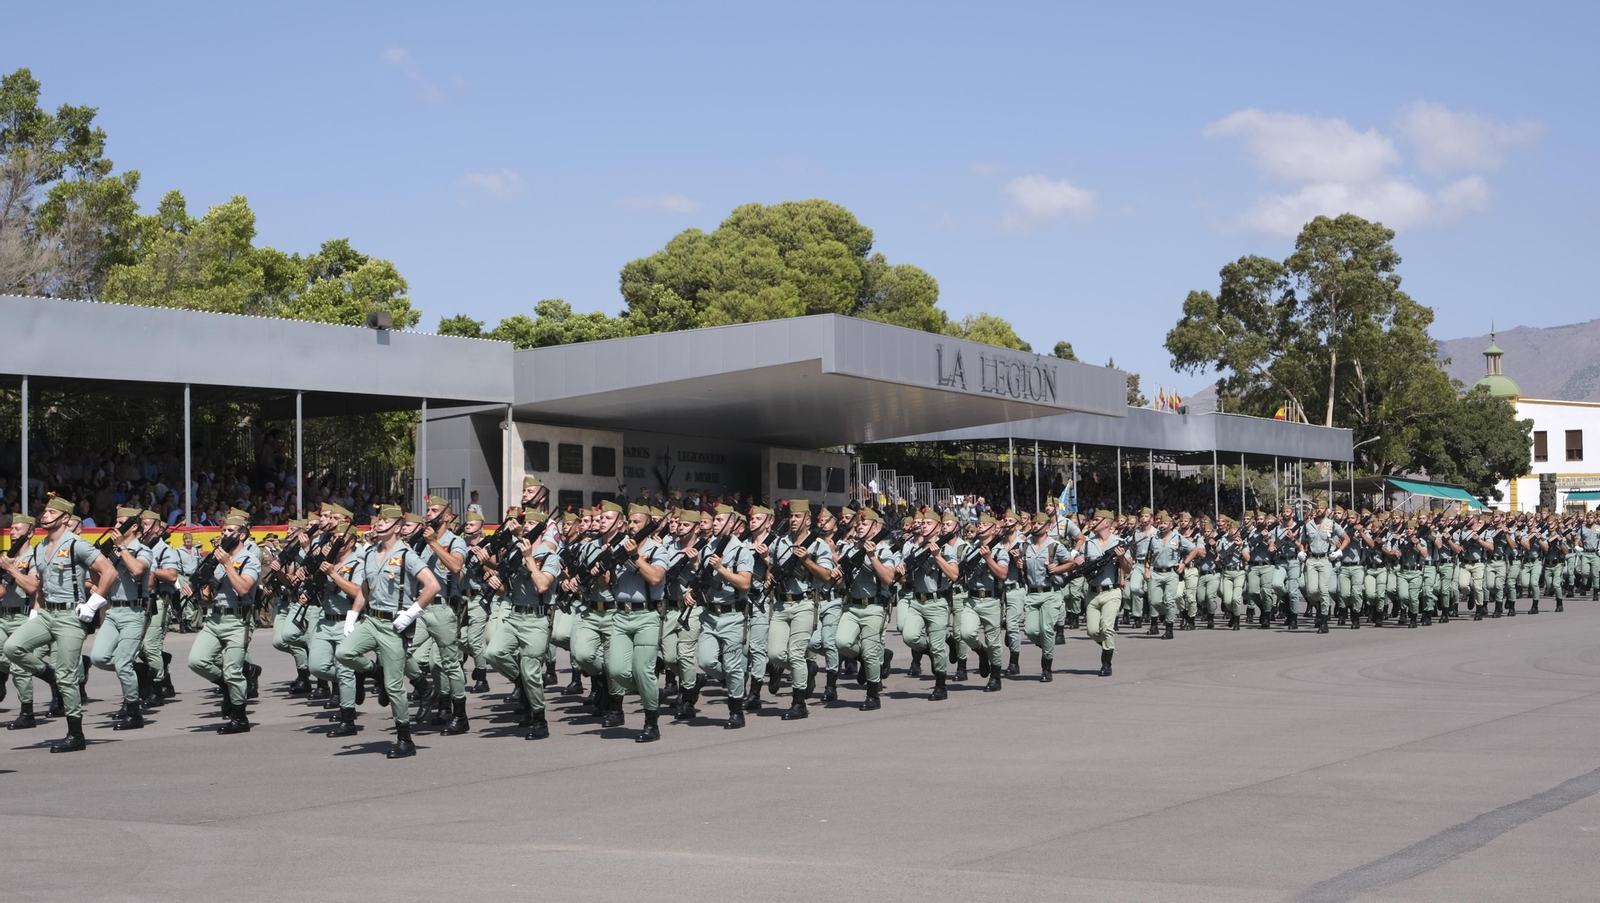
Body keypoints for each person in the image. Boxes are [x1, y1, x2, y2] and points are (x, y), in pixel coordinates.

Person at [3, 496, 117, 752]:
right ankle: (49, 675)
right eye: (44, 512)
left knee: (68, 677)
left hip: (69, 617)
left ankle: (75, 734)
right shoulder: (40, 546)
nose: (45, 515)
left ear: (65, 518)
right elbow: (40, 586)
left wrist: (93, 604)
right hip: (46, 614)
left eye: (52, 512)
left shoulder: (78, 545)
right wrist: (35, 611)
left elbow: (109, 571)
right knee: (12, 648)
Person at [336, 505, 441, 758]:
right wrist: (352, 615)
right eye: (379, 520)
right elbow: (365, 588)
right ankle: (375, 671)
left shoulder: (407, 555)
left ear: (397, 527)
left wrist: (412, 613)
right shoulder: (370, 554)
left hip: (395, 625)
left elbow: (432, 585)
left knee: (394, 688)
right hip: (372, 621)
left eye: (386, 521)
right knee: (344, 653)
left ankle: (405, 739)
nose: (379, 524)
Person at [484, 510, 561, 740]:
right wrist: (496, 583)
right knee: (493, 652)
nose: (526, 527)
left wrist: (528, 558)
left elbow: (542, 585)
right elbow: (507, 590)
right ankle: (522, 684)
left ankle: (539, 718)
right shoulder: (513, 553)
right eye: (525, 523)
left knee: (531, 670)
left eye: (532, 524)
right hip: (515, 615)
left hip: (537, 619)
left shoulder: (550, 555)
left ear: (541, 529)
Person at [186, 513, 262, 734]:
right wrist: (199, 591)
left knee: (232, 672)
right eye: (223, 531)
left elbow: (244, 588)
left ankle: (239, 718)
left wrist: (227, 564)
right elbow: (209, 596)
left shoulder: (250, 559)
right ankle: (229, 686)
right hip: (215, 618)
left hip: (239, 620)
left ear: (242, 534)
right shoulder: (219, 559)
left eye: (230, 531)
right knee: (197, 660)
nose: (225, 535)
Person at [691, 504, 754, 728]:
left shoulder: (741, 551)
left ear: (732, 524)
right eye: (714, 520)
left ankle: (736, 711)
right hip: (710, 615)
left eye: (719, 520)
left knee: (734, 664)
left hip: (733, 615)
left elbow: (745, 583)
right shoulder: (707, 548)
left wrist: (722, 569)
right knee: (707, 661)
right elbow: (701, 577)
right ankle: (732, 679)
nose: (714, 524)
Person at [833, 508, 898, 710]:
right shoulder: (850, 550)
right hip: (851, 606)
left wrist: (872, 557)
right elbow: (841, 581)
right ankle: (877, 656)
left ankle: (872, 695)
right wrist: (837, 575)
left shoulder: (884, 551)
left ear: (876, 527)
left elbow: (888, 578)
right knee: (842, 643)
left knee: (870, 653)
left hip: (874, 607)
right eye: (858, 523)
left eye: (864, 523)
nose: (859, 526)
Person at [304, 524, 364, 737]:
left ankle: (348, 719)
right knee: (317, 666)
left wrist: (334, 575)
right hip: (325, 620)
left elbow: (358, 592)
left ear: (351, 542)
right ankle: (355, 680)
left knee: (345, 670)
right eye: (334, 538)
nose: (336, 542)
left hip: (346, 620)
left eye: (341, 538)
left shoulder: (358, 562)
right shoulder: (327, 560)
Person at [0, 514, 42, 728]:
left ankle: (27, 712)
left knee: (19, 667)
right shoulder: (4, 556)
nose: (12, 532)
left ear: (30, 533)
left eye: (17, 529)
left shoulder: (35, 556)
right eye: (11, 529)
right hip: (2, 615)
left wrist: (11, 569)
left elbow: (32, 587)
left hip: (23, 616)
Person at [1081, 510, 1132, 677]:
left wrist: (1122, 558)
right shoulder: (1088, 543)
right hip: (1092, 593)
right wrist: (1078, 562)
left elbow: (1128, 568)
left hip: (1111, 591)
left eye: (1096, 519)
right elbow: (1079, 563)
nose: (1092, 522)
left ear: (1107, 523)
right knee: (1092, 631)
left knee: (1107, 627)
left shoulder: (1120, 542)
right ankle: (1108, 645)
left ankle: (1106, 663)